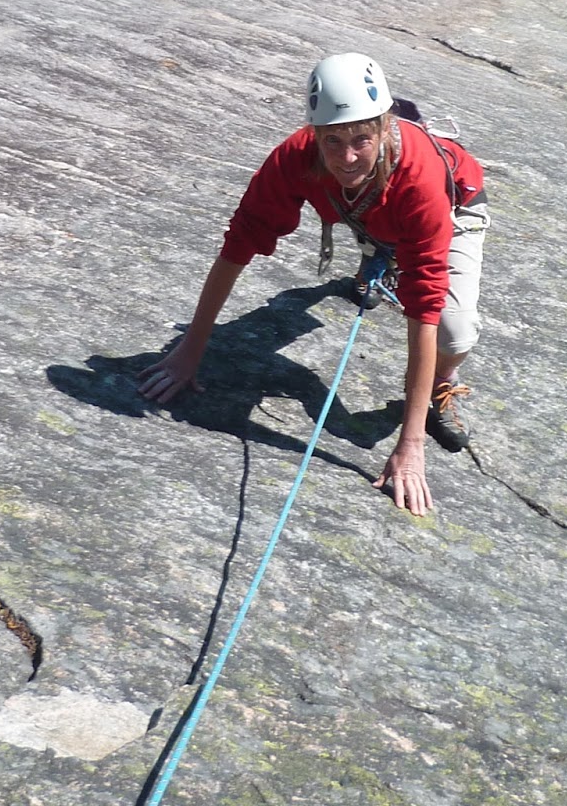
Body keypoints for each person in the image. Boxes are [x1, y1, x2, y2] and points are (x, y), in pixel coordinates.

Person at [138, 53, 489, 517]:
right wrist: (190, 350)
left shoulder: (419, 180)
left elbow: (424, 303)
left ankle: (439, 381)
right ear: (315, 133)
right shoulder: (296, 156)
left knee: (453, 331)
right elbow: (241, 240)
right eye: (333, 140)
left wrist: (411, 445)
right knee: (371, 213)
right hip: (370, 210)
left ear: (385, 127)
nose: (347, 156)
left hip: (453, 206)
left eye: (361, 139)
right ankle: (376, 256)